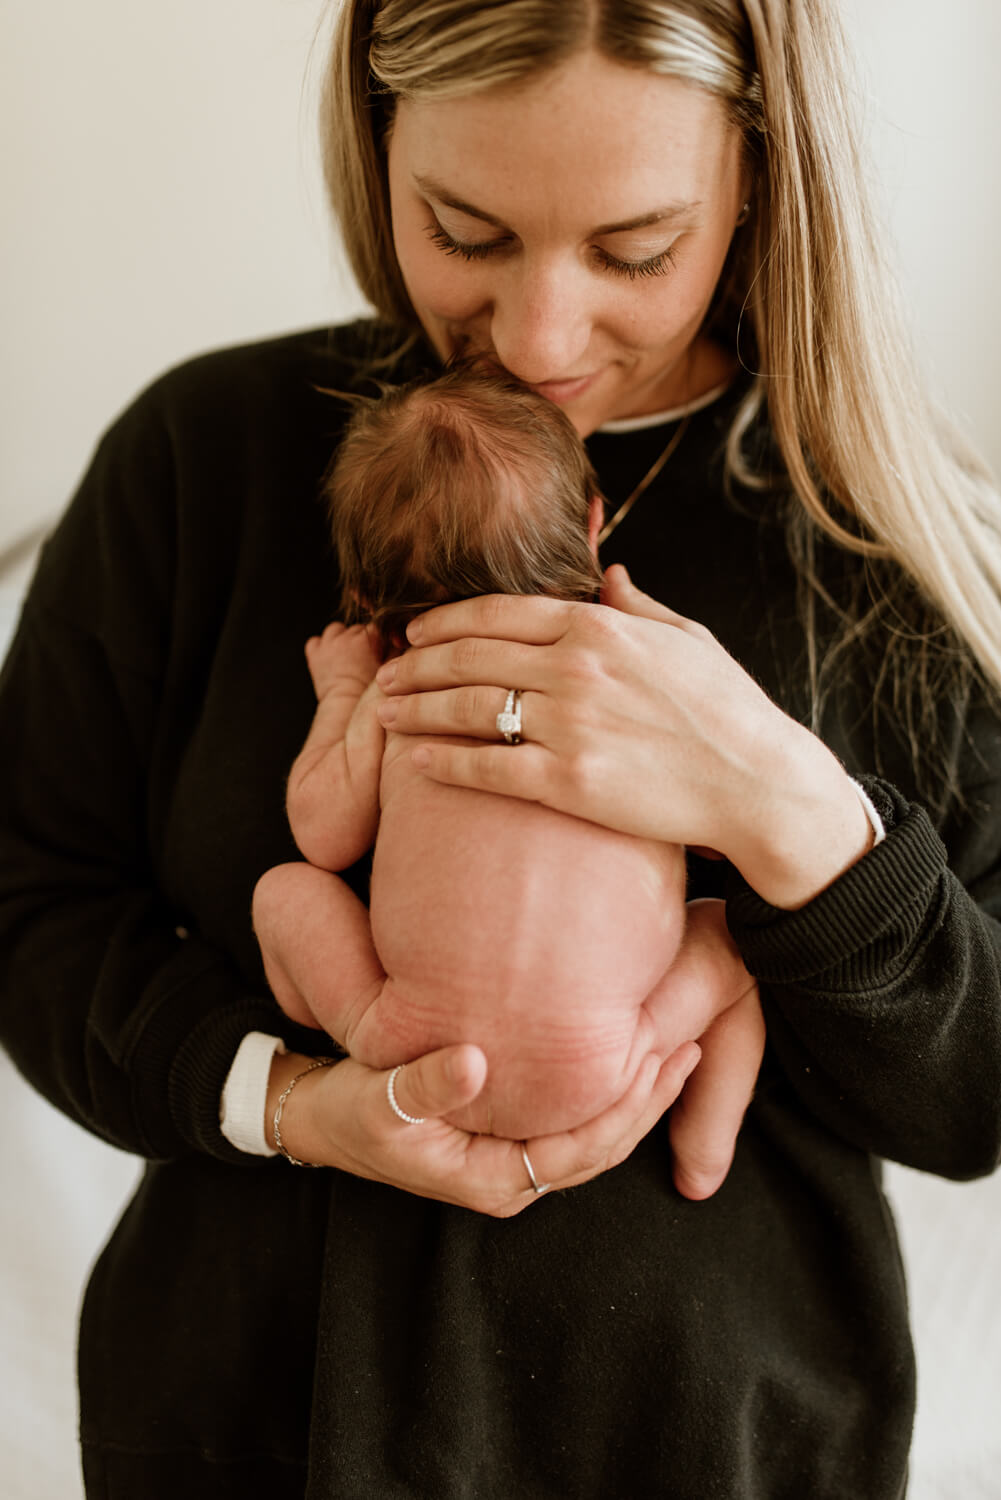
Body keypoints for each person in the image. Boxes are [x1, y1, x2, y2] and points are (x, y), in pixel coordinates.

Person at [2, 1, 1000, 1496]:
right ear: (375, 140)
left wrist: (794, 813)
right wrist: (291, 1101)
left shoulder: (881, 546)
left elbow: (975, 1096)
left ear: (760, 175)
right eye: (464, 232)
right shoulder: (207, 459)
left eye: (635, 250)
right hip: (239, 1435)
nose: (538, 339)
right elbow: (31, 913)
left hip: (719, 1453)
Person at [253, 363, 762, 1137]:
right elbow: (725, 838)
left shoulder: (399, 693)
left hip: (411, 1056)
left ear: (364, 600)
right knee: (733, 935)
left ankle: (355, 1022)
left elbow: (322, 838)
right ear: (594, 525)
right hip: (603, 1063)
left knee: (283, 892)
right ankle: (703, 1137)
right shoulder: (642, 689)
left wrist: (341, 695)